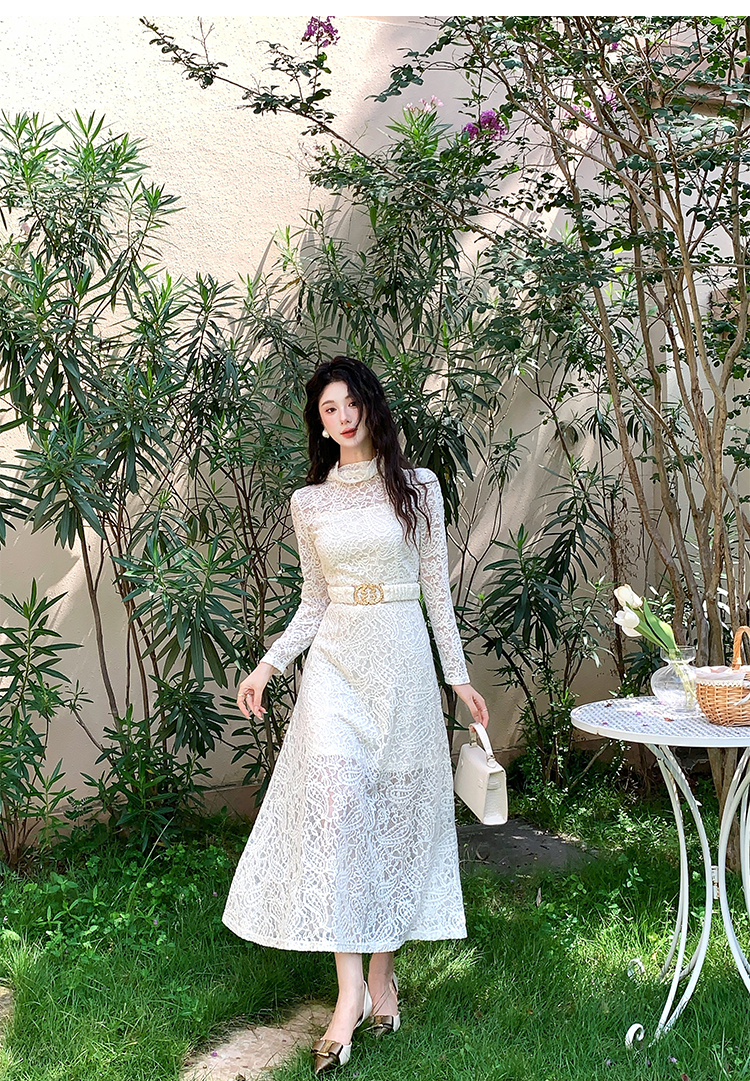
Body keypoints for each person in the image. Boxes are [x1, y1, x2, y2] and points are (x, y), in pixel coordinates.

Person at [223, 356, 489, 1075]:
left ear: (370, 406)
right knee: (341, 815)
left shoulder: (418, 487)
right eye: (328, 409)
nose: (341, 418)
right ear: (319, 423)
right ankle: (347, 997)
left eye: (350, 404)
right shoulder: (309, 503)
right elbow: (313, 600)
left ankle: (382, 975)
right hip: (335, 669)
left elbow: (436, 592)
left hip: (402, 664)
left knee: (395, 818)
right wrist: (269, 665)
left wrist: (458, 678)